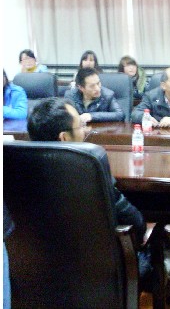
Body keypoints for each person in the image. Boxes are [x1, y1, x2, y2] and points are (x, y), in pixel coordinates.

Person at [26, 97, 152, 286]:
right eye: (80, 125)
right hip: (100, 274)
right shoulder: (89, 166)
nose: (85, 130)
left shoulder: (15, 165)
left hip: (35, 272)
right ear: (64, 137)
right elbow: (135, 222)